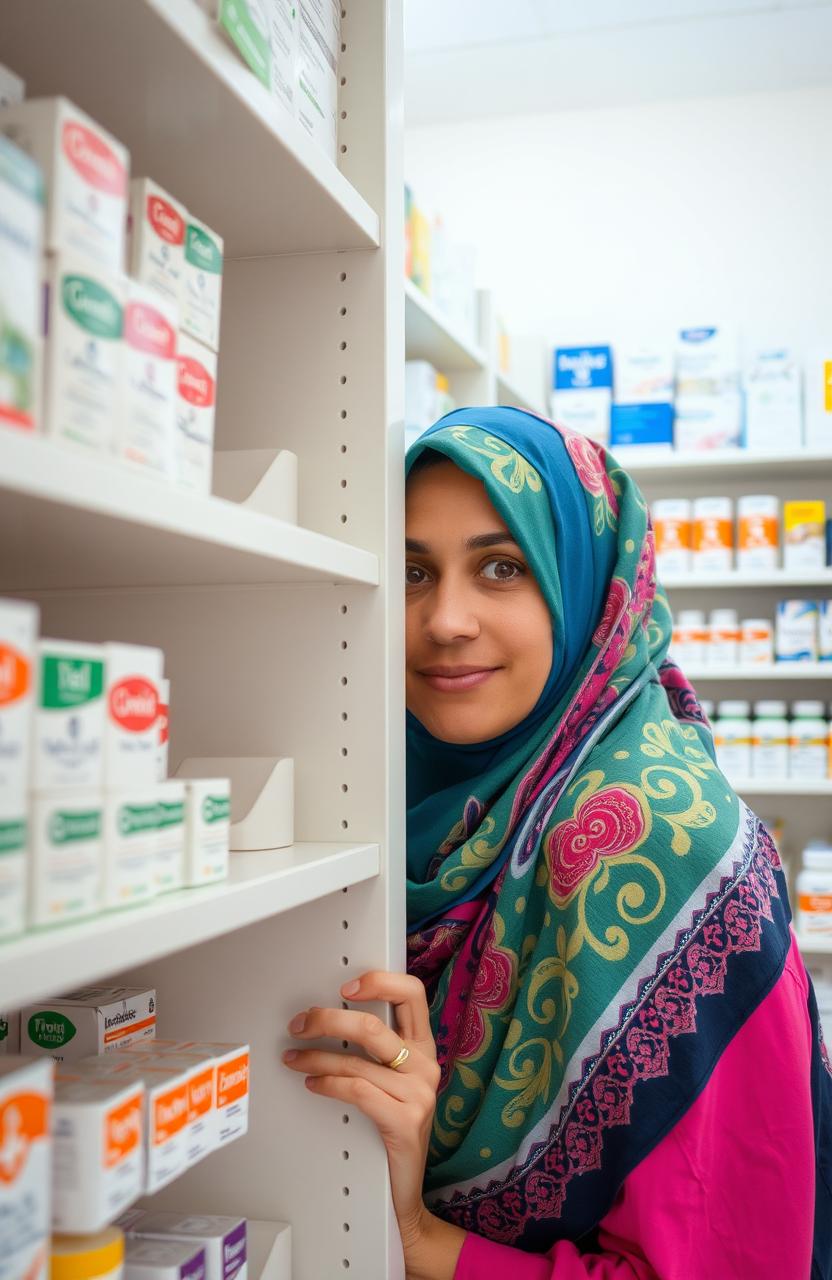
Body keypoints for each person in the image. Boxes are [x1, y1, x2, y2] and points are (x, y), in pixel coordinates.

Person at [282, 407, 832, 1279]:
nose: (445, 620)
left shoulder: (651, 839)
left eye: (502, 567)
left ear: (585, 587)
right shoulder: (408, 797)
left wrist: (422, 1239)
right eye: (414, 572)